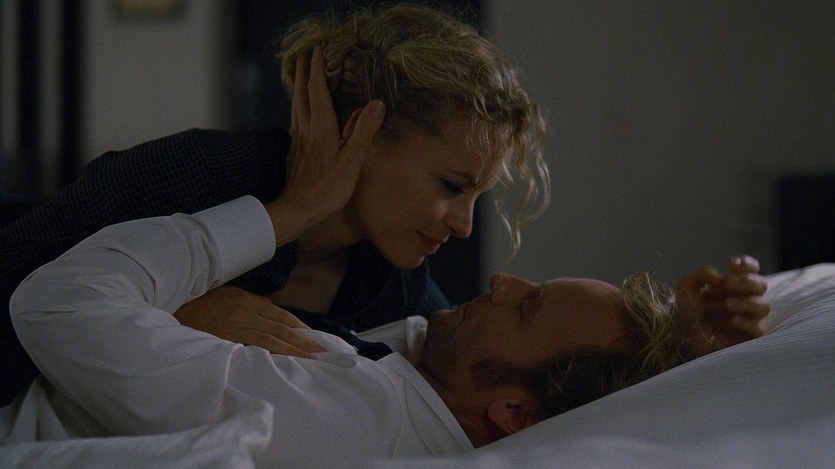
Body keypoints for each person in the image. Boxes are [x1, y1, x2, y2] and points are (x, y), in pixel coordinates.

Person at [0, 3, 550, 405]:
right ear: (361, 134)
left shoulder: (393, 288)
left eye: (478, 195)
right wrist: (165, 316)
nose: (464, 226)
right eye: (451, 186)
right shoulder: (198, 173)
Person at [6, 196, 769, 466]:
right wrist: (683, 349)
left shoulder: (341, 411)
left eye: (526, 306)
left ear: (510, 411)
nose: (500, 280)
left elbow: (55, 302)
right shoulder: (408, 387)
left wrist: (284, 213)